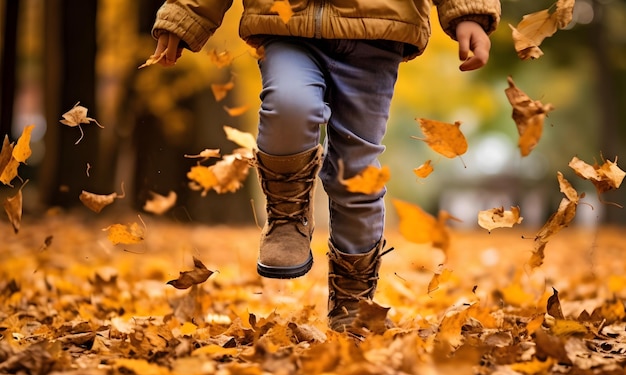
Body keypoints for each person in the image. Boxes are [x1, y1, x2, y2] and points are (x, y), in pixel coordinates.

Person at [151, 0, 501, 335]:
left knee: (357, 171)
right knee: (289, 105)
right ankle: (287, 216)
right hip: (287, 23)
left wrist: (467, 12)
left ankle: (354, 301)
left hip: (378, 30)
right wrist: (184, 15)